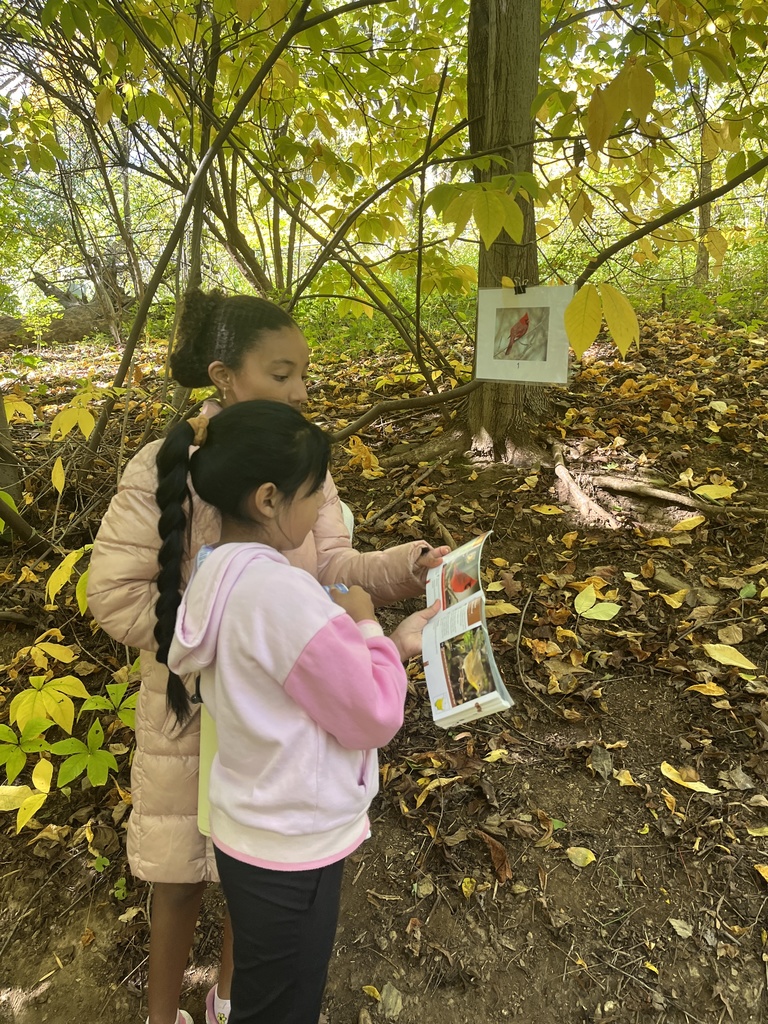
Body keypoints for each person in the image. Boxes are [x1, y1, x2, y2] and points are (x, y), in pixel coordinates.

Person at [86, 290, 449, 1024]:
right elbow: (116, 595)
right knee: (180, 872)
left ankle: (230, 997)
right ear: (224, 375)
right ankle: (162, 1015)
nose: (301, 391)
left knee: (250, 869)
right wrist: (225, 641)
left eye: (304, 374)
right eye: (282, 374)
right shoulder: (164, 466)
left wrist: (410, 567)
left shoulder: (297, 455)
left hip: (281, 703)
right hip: (191, 706)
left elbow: (334, 563)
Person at [156, 400, 437, 1024]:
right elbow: (373, 714)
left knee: (265, 978)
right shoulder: (282, 595)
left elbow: (304, 682)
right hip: (296, 843)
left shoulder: (216, 573)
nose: (320, 513)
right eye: (314, 496)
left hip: (249, 829)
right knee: (286, 1001)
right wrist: (366, 620)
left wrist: (394, 642)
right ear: (267, 499)